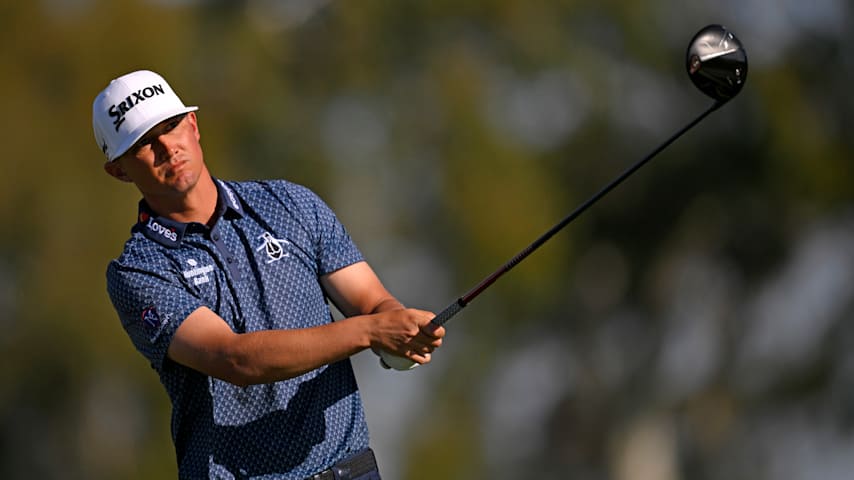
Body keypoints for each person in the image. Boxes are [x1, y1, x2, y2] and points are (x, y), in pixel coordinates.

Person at [94, 69, 445, 479]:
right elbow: (234, 359)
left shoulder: (290, 203)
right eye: (143, 143)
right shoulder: (139, 270)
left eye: (170, 126)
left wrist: (399, 331)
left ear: (192, 125)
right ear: (119, 171)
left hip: (349, 470)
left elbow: (371, 302)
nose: (166, 148)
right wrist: (372, 332)